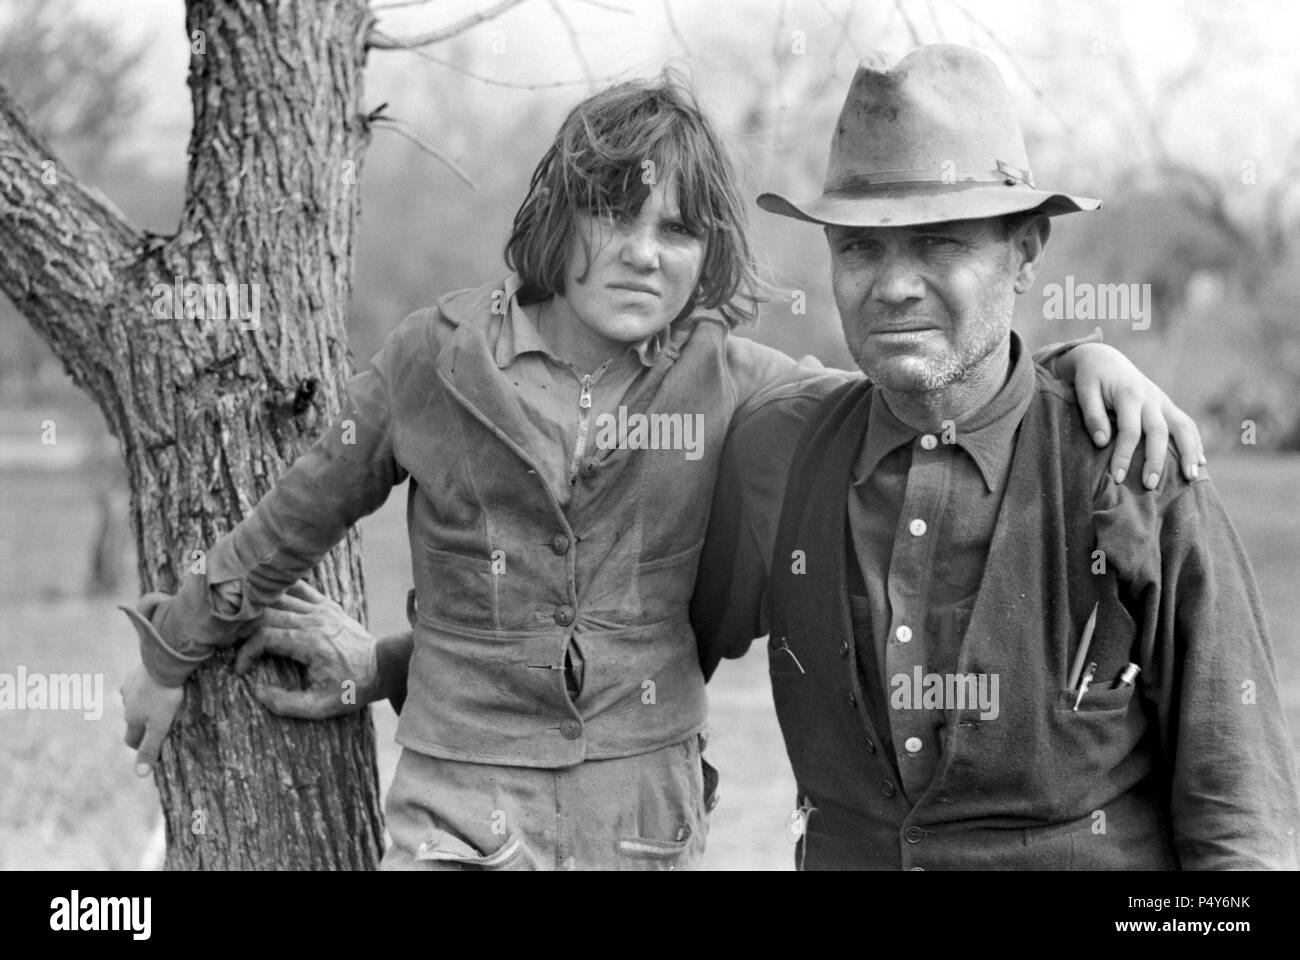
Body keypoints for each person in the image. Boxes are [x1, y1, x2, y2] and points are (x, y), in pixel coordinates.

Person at [120, 69, 1203, 871]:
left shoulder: (737, 382)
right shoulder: (433, 364)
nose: (644, 253)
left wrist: (1076, 364)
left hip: (644, 816)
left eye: (677, 231)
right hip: (457, 801)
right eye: (615, 215)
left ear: (709, 253)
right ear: (558, 217)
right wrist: (174, 652)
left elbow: (921, 387)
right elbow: (289, 522)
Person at [690, 44, 1300, 870]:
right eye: (860, 249)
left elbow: (1240, 825)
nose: (892, 285)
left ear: (1025, 250)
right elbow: (644, 644)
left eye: (938, 244)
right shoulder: (780, 450)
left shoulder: (1132, 469)